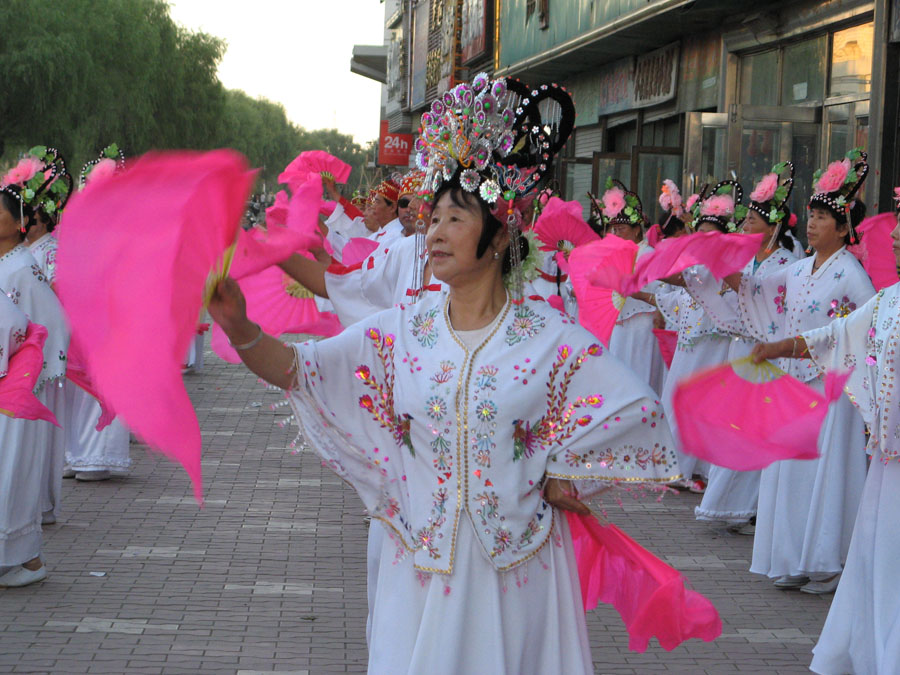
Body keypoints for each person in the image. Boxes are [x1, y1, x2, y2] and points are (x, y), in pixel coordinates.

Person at [209, 74, 679, 673]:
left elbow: (637, 410)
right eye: (432, 218)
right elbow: (301, 370)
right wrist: (239, 326)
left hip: (517, 573)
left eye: (455, 219)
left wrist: (565, 471)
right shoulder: (402, 331)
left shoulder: (547, 341)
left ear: (500, 233)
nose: (434, 232)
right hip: (422, 572)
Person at [750, 199, 900, 673]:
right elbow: (837, 335)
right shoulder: (890, 300)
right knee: (877, 555)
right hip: (888, 463)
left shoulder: (863, 282)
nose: (894, 236)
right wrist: (778, 346)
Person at [720, 150, 873, 593]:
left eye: (823, 218)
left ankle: (825, 562)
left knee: (824, 475)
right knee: (788, 476)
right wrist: (715, 267)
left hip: (830, 390)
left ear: (844, 228)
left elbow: (864, 331)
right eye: (811, 215)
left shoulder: (853, 275)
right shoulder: (799, 268)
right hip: (792, 386)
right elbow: (755, 292)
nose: (812, 224)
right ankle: (789, 557)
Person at [682, 165, 801, 531]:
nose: (745, 225)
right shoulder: (748, 257)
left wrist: (725, 271)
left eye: (752, 220)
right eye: (745, 218)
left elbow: (762, 299)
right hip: (741, 351)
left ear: (773, 227)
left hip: (766, 356)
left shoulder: (788, 263)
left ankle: (748, 507)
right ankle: (735, 505)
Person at [635, 181, 747, 492]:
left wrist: (651, 268)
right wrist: (644, 285)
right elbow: (678, 297)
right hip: (691, 343)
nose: (706, 239)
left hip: (715, 344)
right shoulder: (700, 261)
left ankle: (701, 469)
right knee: (678, 398)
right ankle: (677, 466)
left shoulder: (727, 264)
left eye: (712, 234)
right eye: (702, 233)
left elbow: (685, 282)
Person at [0, 186, 67, 587]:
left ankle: (24, 559)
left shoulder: (23, 268)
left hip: (16, 391)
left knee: (13, 471)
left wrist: (25, 372)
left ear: (18, 223)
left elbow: (54, 324)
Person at [602, 180, 668, 396]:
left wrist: (626, 285)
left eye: (621, 229)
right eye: (614, 229)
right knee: (619, 376)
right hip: (620, 323)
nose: (617, 234)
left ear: (637, 230)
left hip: (641, 324)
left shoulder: (647, 254)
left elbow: (657, 292)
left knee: (639, 376)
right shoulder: (618, 253)